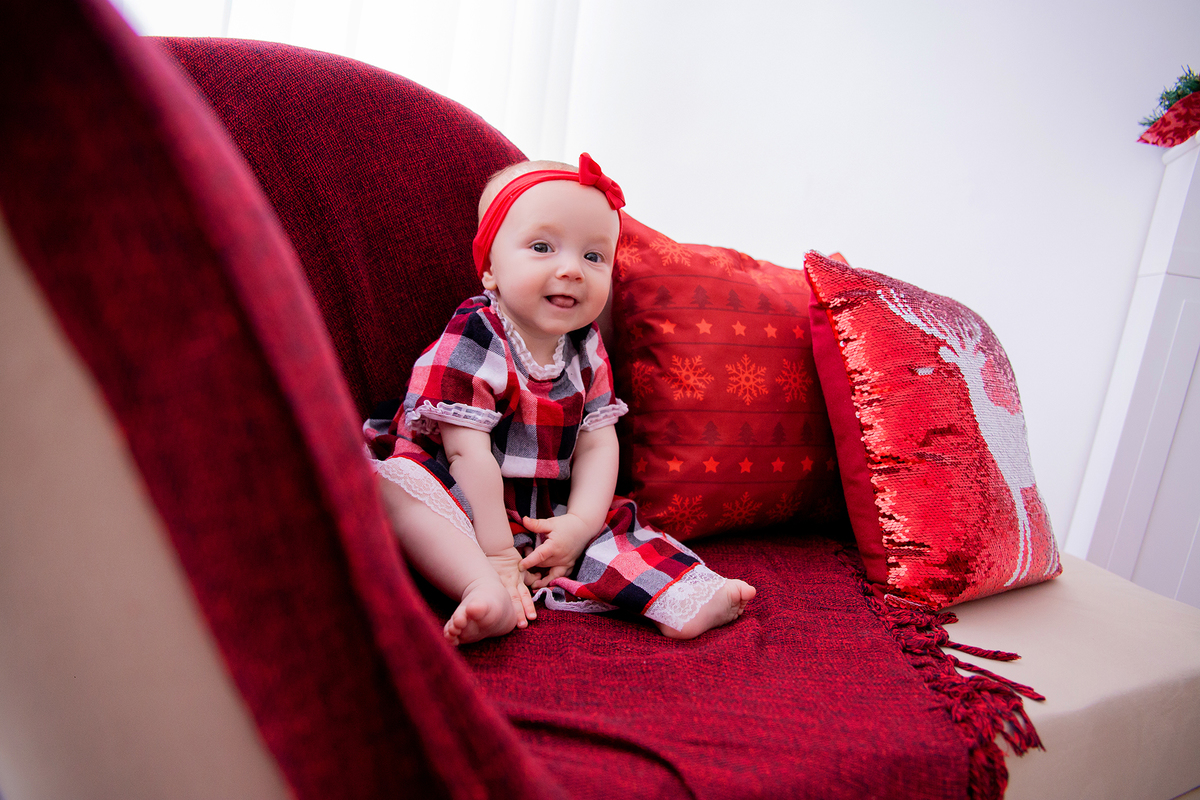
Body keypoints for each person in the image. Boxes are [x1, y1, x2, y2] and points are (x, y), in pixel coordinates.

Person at [372, 153, 755, 645]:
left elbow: (598, 443)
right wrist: (495, 550)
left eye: (593, 256)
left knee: (615, 528)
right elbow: (467, 451)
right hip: (462, 491)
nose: (572, 270)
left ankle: (683, 598)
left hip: (546, 506)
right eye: (542, 247)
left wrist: (578, 522)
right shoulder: (476, 333)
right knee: (396, 489)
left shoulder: (585, 346)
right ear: (490, 267)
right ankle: (481, 587)